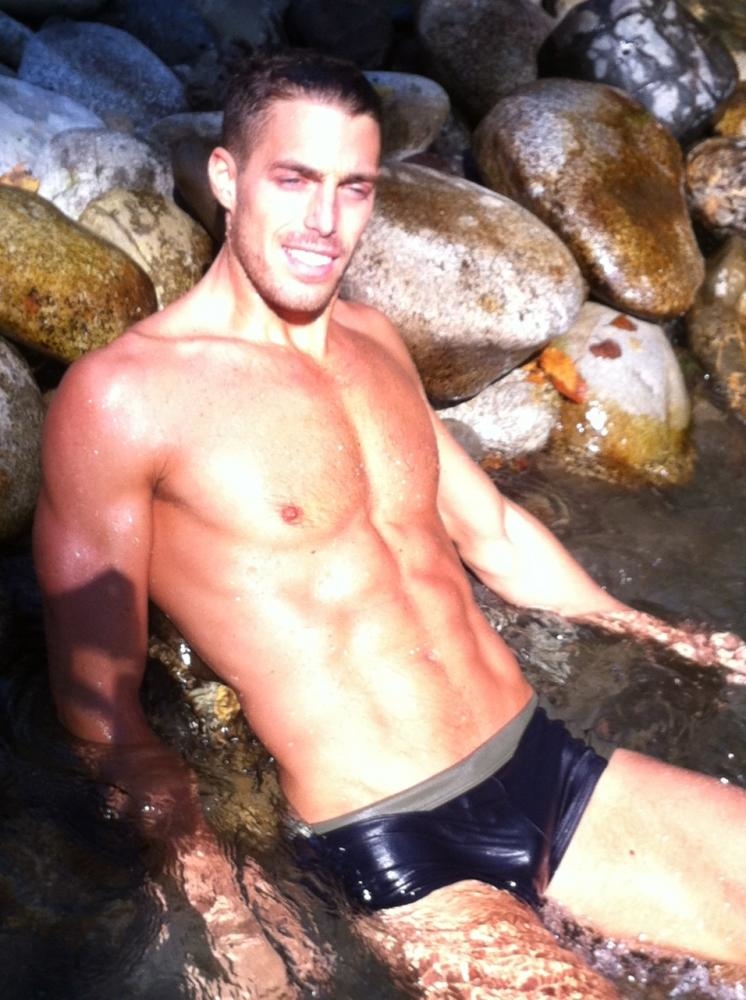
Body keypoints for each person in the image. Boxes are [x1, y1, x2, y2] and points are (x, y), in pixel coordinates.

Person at [33, 48, 746, 991]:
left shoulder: (374, 343)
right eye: (294, 180)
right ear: (227, 178)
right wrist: (218, 901)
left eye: (355, 188)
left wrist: (663, 636)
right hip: (398, 847)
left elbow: (493, 533)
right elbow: (99, 707)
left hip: (546, 765)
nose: (325, 223)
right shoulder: (124, 398)